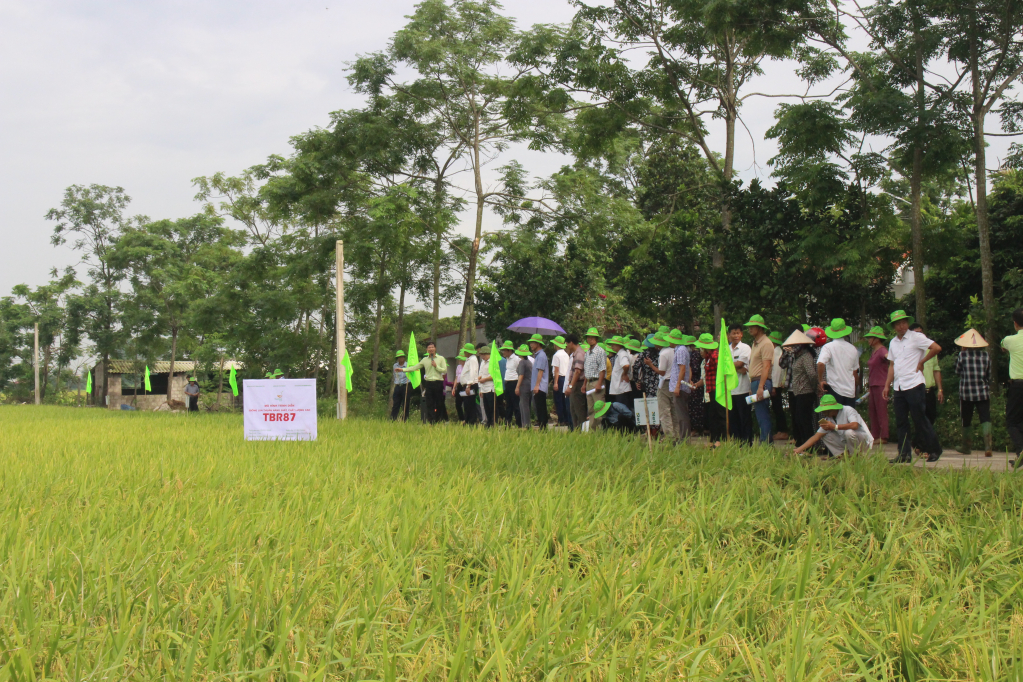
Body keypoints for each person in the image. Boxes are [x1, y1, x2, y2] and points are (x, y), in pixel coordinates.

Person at [883, 310, 943, 463]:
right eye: (898, 324)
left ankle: (934, 449)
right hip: (899, 386)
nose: (901, 326)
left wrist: (922, 361)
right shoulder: (893, 343)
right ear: (894, 326)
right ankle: (904, 454)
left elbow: (936, 348)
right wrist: (887, 385)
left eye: (903, 322)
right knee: (901, 421)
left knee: (920, 418)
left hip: (914, 383)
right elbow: (892, 364)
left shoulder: (916, 337)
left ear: (907, 323)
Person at [792, 394, 874, 458]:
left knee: (849, 433)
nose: (823, 413)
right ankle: (843, 456)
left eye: (825, 411)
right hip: (847, 442)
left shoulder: (848, 410)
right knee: (826, 436)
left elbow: (854, 425)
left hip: (862, 440)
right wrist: (798, 450)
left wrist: (835, 427)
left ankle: (856, 456)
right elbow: (816, 437)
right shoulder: (829, 419)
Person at [953, 328, 992, 457]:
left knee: (966, 419)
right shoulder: (986, 356)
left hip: (966, 392)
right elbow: (989, 375)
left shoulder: (962, 356)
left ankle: (966, 446)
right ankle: (988, 446)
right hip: (983, 392)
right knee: (985, 417)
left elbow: (958, 371)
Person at [782, 329, 821, 449]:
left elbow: (812, 374)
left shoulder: (806, 356)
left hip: (806, 392)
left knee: (805, 421)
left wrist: (814, 388)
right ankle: (803, 444)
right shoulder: (797, 357)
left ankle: (809, 446)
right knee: (799, 419)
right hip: (799, 392)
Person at [908, 323, 944, 436]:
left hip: (929, 389)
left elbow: (936, 369)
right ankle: (922, 446)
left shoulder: (931, 349)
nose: (920, 335)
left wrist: (940, 389)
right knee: (919, 418)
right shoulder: (909, 350)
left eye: (921, 332)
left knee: (931, 416)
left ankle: (919, 443)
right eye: (917, 333)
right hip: (916, 389)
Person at [399, 341, 447, 424]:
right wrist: (403, 369)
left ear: (435, 348)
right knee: (429, 403)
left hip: (438, 382)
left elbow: (444, 370)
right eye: (429, 347)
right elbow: (415, 367)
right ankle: (431, 421)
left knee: (439, 402)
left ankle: (438, 420)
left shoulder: (441, 358)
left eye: (432, 347)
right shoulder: (425, 360)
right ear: (427, 350)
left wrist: (436, 366)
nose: (431, 349)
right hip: (429, 383)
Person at [816, 318, 861, 408]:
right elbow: (855, 372)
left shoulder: (828, 347)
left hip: (835, 389)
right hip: (850, 391)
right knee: (849, 419)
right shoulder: (853, 349)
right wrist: (855, 387)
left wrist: (820, 380)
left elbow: (821, 363)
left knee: (836, 419)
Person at [744, 314, 774, 443]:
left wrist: (761, 386)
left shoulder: (766, 343)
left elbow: (766, 367)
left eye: (752, 326)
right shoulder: (756, 343)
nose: (750, 329)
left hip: (761, 381)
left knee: (763, 414)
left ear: (760, 328)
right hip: (756, 381)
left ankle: (766, 442)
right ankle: (765, 440)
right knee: (759, 414)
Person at [693, 333, 725, 447]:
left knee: (719, 414)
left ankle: (722, 440)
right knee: (712, 415)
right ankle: (714, 439)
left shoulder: (715, 355)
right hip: (710, 388)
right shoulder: (707, 357)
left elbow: (721, 371)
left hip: (717, 388)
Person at [1003, 308, 1023, 469]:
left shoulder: (1009, 340)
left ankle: (1021, 451)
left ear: (1015, 323)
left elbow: (1003, 347)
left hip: (1018, 386)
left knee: (1012, 420)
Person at [646, 332, 675, 441]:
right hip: (673, 382)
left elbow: (661, 372)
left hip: (665, 382)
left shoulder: (663, 353)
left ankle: (669, 435)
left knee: (664, 411)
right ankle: (676, 433)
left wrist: (650, 365)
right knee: (674, 410)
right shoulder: (673, 351)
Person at [728, 324, 753, 445]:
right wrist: (736, 366)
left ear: (742, 334)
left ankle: (747, 442)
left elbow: (740, 364)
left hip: (743, 388)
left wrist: (728, 366)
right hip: (730, 389)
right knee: (733, 418)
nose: (736, 335)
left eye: (738, 333)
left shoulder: (745, 348)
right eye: (733, 333)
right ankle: (736, 442)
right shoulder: (726, 349)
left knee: (745, 417)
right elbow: (724, 365)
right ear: (729, 335)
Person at [863, 326, 889, 444]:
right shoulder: (874, 352)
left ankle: (884, 436)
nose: (868, 340)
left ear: (876, 339)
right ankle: (875, 434)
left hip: (881, 384)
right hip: (873, 384)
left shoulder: (882, 350)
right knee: (872, 410)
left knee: (881, 410)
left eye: (870, 338)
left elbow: (890, 358)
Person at [666, 329, 692, 442]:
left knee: (682, 415)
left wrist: (678, 386)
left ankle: (684, 439)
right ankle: (683, 437)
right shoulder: (680, 350)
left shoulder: (681, 350)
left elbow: (682, 369)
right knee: (680, 413)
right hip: (681, 386)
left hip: (680, 387)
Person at [634, 335, 661, 434]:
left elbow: (635, 368)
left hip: (648, 384)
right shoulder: (660, 354)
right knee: (659, 406)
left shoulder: (643, 355)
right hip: (660, 384)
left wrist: (637, 381)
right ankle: (658, 428)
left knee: (650, 406)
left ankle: (651, 429)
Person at [582, 327, 608, 429]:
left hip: (597, 381)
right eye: (588, 337)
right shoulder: (587, 352)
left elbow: (602, 369)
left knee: (599, 407)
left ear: (596, 339)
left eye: (592, 337)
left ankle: (601, 430)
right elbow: (586, 370)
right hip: (589, 382)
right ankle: (593, 430)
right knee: (591, 408)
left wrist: (599, 384)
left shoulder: (600, 352)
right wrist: (584, 384)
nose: (590, 339)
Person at [526, 334, 550, 430]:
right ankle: (542, 426)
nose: (531, 345)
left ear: (538, 344)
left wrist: (537, 386)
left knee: (541, 408)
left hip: (539, 386)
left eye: (532, 343)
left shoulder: (541, 356)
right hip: (537, 386)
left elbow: (540, 371)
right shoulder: (538, 355)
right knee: (539, 407)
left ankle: (543, 427)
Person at [564, 335, 587, 431]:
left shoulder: (579, 354)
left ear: (571, 343)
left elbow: (578, 372)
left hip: (578, 384)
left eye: (567, 344)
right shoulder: (575, 354)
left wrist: (570, 386)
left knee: (579, 410)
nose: (566, 346)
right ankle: (576, 431)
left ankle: (581, 431)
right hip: (575, 384)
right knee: (573, 410)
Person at [768, 330, 788, 440]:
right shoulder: (779, 351)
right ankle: (781, 430)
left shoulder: (776, 352)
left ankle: (782, 430)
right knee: (777, 407)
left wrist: (774, 387)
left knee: (777, 408)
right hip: (778, 384)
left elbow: (776, 371)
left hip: (776, 384)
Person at [550, 335, 572, 428]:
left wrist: (555, 383)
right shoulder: (566, 354)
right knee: (564, 400)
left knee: (558, 400)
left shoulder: (556, 355)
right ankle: (566, 419)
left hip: (559, 378)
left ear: (556, 344)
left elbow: (556, 370)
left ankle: (561, 420)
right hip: (565, 378)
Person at [686, 336, 705, 436]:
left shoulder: (695, 355)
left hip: (696, 382)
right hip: (698, 381)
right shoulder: (697, 354)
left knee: (695, 406)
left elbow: (694, 369)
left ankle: (697, 428)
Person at [608, 336, 633, 411]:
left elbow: (626, 365)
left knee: (623, 409)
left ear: (619, 345)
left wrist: (624, 374)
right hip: (618, 388)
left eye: (614, 344)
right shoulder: (619, 354)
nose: (612, 346)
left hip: (622, 388)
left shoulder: (622, 354)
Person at [459, 343, 480, 426]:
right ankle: (467, 420)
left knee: (470, 404)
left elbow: (472, 373)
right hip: (467, 385)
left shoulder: (472, 360)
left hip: (470, 385)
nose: (464, 353)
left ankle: (471, 421)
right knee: (467, 404)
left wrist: (468, 385)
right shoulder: (469, 359)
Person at [500, 340, 521, 426]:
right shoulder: (507, 360)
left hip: (514, 382)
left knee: (516, 404)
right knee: (508, 404)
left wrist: (518, 386)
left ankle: (519, 423)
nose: (503, 352)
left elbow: (520, 373)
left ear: (509, 350)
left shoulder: (516, 359)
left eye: (504, 350)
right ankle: (508, 422)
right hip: (507, 382)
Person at [477, 343, 497, 427]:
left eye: (485, 354)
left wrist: (485, 379)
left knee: (492, 406)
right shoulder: (482, 362)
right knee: (486, 407)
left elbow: (494, 375)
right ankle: (488, 422)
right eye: (481, 354)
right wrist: (480, 389)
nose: (483, 356)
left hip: (491, 387)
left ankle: (493, 422)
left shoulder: (493, 362)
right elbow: (480, 374)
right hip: (484, 388)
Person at [514, 344, 534, 429]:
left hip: (524, 385)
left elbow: (521, 375)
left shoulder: (522, 362)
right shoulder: (529, 362)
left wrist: (517, 387)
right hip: (529, 384)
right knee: (524, 404)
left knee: (523, 405)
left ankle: (526, 424)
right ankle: (526, 423)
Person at [390, 350, 411, 421]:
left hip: (406, 385)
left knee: (405, 403)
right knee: (396, 403)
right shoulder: (395, 366)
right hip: (398, 385)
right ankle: (393, 418)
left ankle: (405, 419)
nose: (401, 359)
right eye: (399, 357)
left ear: (404, 358)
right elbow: (394, 375)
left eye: (402, 357)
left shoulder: (408, 365)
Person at [452, 353, 467, 423]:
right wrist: (454, 387)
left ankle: (467, 419)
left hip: (466, 385)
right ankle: (462, 419)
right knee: (458, 403)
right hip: (459, 385)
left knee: (466, 403)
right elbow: (457, 377)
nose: (460, 361)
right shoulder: (459, 367)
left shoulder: (467, 366)